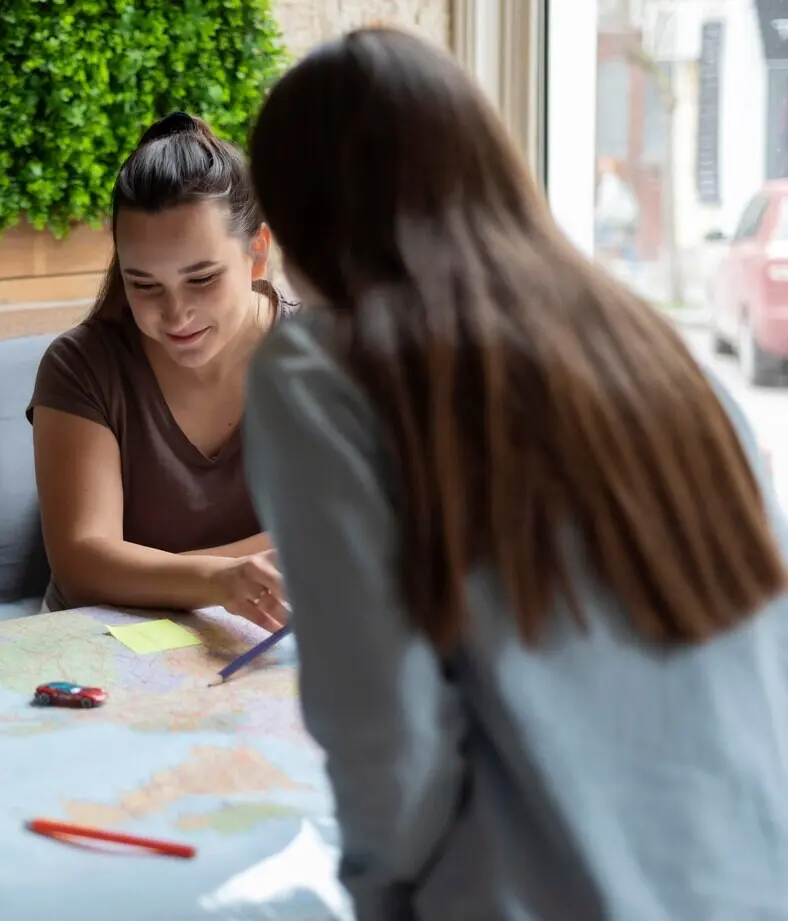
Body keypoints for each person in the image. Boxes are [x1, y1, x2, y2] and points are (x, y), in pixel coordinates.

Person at [242, 28, 788, 921]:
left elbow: (387, 733)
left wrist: (380, 894)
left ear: (303, 219)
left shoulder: (322, 369)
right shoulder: (660, 353)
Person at [28, 112, 293, 629]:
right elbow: (83, 562)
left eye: (202, 279)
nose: (175, 315)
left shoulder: (323, 357)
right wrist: (221, 580)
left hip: (268, 635)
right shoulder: (81, 366)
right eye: (144, 284)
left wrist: (154, 572)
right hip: (101, 637)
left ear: (257, 253)